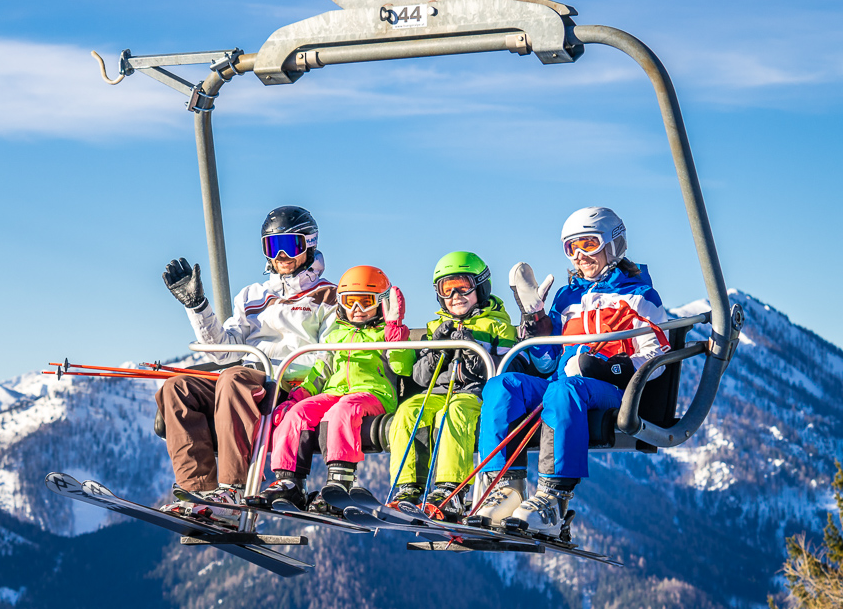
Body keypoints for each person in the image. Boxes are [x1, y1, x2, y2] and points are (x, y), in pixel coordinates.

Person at [473, 207, 669, 537]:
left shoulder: (640, 296)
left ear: (614, 244)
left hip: (609, 391)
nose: (579, 255)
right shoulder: (567, 297)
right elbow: (548, 362)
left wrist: (609, 369)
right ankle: (506, 488)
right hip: (561, 386)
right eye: (571, 248)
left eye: (588, 244)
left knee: (563, 391)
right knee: (502, 386)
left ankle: (553, 498)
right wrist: (537, 321)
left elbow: (657, 357)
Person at [157, 205, 336, 521]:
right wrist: (198, 307)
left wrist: (291, 378)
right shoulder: (252, 296)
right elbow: (222, 352)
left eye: (289, 245)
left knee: (234, 378)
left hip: (287, 385)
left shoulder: (327, 296)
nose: (280, 255)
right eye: (272, 246)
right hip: (245, 381)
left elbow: (329, 355)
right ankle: (198, 493)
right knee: (176, 388)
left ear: (309, 243)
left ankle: (232, 491)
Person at [261, 265, 412, 512]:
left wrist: (394, 331)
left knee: (342, 410)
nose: (357, 310)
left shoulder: (385, 334)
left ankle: (340, 481)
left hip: (372, 395)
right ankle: (290, 482)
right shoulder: (336, 335)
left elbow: (402, 366)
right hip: (334, 393)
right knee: (299, 413)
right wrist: (297, 397)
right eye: (350, 302)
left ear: (382, 304)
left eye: (366, 303)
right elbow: (320, 372)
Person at [386, 252, 517, 518]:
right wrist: (437, 350)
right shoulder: (436, 325)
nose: (456, 295)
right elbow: (420, 378)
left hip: (474, 393)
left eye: (463, 286)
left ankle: (451, 489)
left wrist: (474, 349)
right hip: (436, 391)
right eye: (447, 289)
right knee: (409, 412)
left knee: (454, 412)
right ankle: (408, 487)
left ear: (480, 287)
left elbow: (504, 369)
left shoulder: (498, 325)